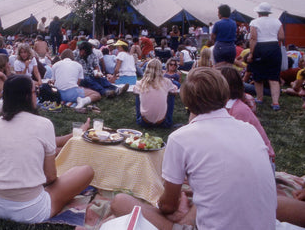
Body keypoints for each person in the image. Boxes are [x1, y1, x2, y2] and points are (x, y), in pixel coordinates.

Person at [111, 67, 277, 230]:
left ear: (187, 101)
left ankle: (181, 224)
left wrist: (169, 207)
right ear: (225, 94)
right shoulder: (249, 130)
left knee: (120, 201)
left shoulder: (181, 138)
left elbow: (167, 206)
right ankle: (186, 220)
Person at [0, 74, 94, 223]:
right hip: (30, 211)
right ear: (26, 96)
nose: (37, 95)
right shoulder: (43, 124)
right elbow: (50, 177)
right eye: (35, 92)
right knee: (86, 171)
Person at [218, 66, 275, 167]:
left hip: (259, 163)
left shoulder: (239, 110)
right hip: (245, 158)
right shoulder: (226, 107)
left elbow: (235, 145)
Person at [247, 2, 285, 110]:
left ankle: (259, 98)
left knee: (258, 76)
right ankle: (275, 103)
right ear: (269, 12)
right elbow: (281, 37)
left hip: (260, 48)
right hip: (274, 48)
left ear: (258, 12)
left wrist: (251, 53)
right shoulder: (277, 21)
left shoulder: (254, 22)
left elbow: (253, 38)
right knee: (273, 77)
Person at [133, 59, 178, 128]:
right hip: (163, 123)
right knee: (171, 94)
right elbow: (174, 91)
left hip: (144, 122)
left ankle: (140, 117)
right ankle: (168, 120)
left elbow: (134, 91)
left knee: (138, 94)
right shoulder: (167, 82)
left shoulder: (140, 83)